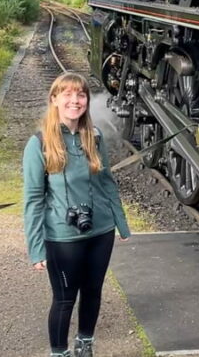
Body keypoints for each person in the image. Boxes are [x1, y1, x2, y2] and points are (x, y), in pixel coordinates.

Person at [23, 72, 131, 357]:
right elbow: (33, 200)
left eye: (80, 95)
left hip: (101, 231)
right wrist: (36, 249)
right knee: (64, 299)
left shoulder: (93, 137)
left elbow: (107, 181)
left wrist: (121, 223)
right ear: (55, 99)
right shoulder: (39, 143)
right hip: (63, 236)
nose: (75, 100)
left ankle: (85, 344)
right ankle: (59, 352)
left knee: (93, 292)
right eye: (67, 94)